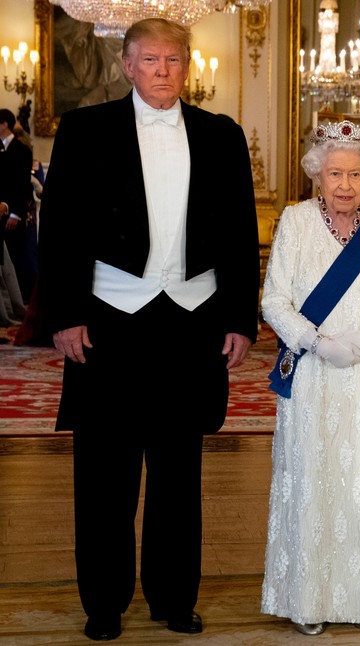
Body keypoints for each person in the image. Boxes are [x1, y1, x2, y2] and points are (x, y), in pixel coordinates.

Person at [37, 17, 260, 641]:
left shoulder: (222, 135)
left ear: (186, 67)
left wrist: (241, 318)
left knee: (178, 471)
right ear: (127, 66)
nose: (163, 70)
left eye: (174, 60)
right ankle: (103, 603)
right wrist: (64, 315)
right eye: (151, 60)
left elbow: (241, 233)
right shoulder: (86, 130)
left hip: (192, 321)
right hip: (110, 319)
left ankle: (172, 599)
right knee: (105, 472)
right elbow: (59, 231)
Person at [259, 120, 360, 636]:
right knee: (313, 480)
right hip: (313, 377)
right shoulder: (295, 221)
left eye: (355, 173)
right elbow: (273, 301)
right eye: (335, 173)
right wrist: (318, 342)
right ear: (317, 174)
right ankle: (310, 600)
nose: (346, 185)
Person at [0, 108, 35, 305]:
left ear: (4, 124)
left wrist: (15, 213)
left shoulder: (21, 150)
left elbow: (21, 184)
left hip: (15, 212)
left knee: (18, 255)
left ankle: (22, 299)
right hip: (1, 209)